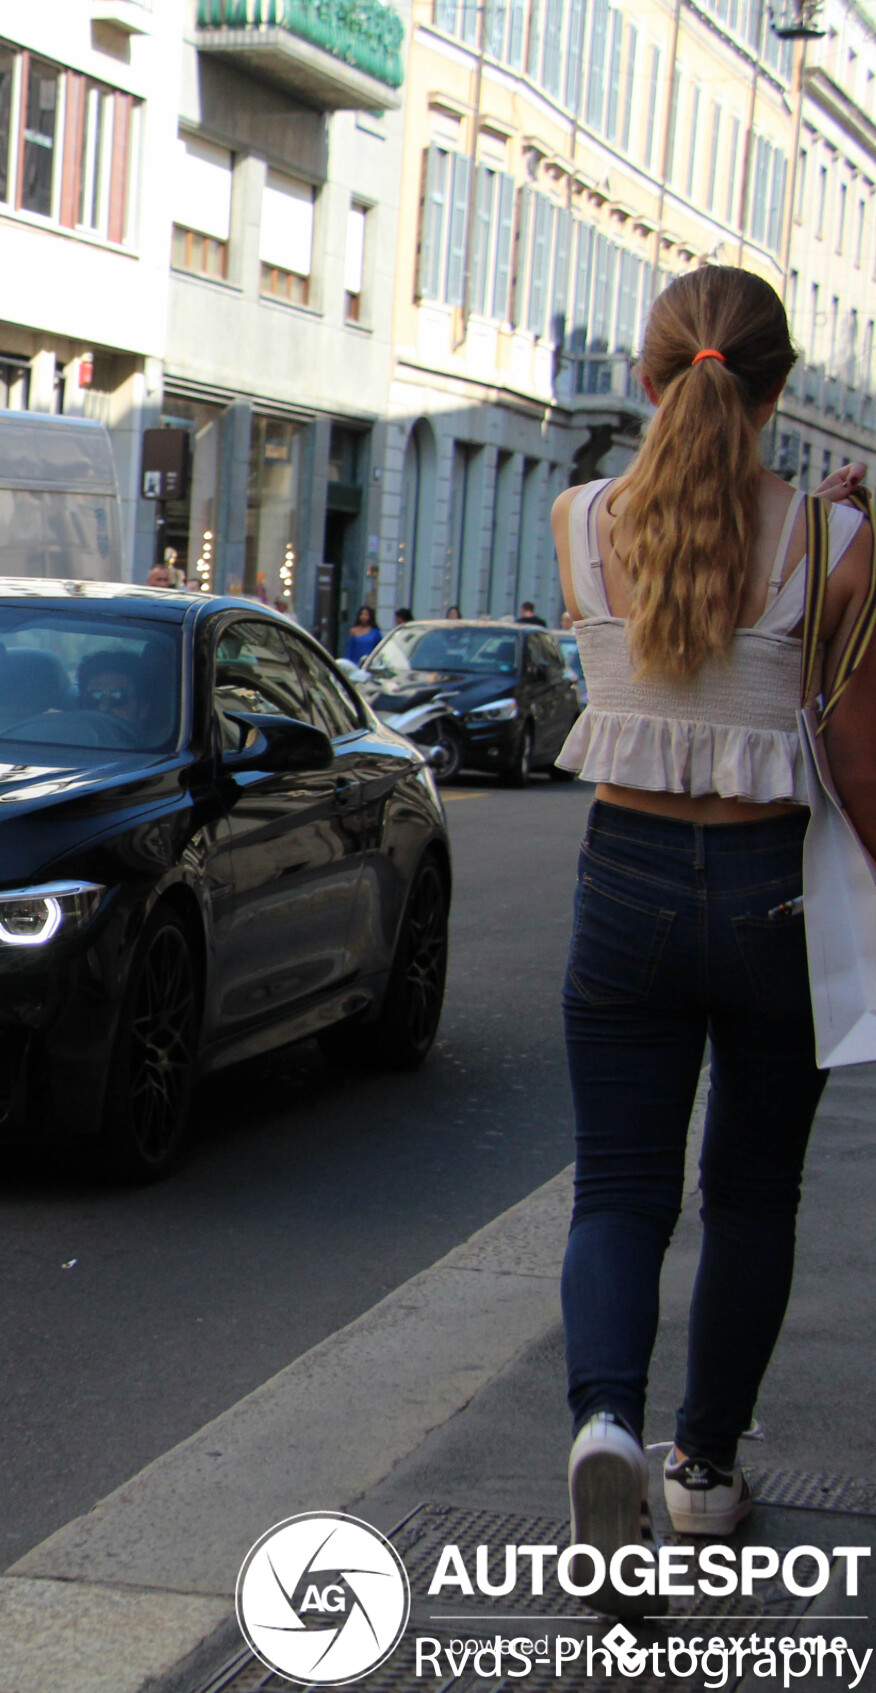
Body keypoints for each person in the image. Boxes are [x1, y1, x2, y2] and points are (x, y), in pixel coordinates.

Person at [549, 265, 872, 1616]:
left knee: (619, 1189)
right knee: (749, 1196)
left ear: (644, 377)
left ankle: (605, 1426)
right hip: (769, 893)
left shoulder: (577, 520)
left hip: (621, 882)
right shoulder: (833, 537)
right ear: (783, 388)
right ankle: (702, 1470)